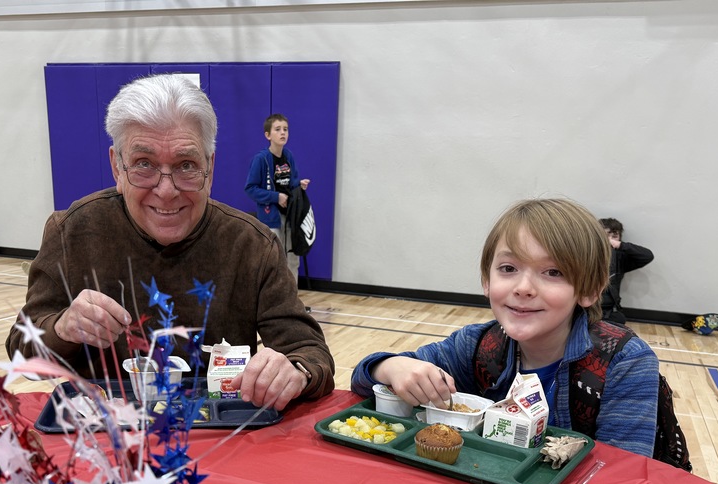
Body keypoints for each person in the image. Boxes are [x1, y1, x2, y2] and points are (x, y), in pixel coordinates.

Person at [6, 74, 334, 412]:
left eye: (186, 165)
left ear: (210, 168)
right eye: (144, 164)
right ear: (117, 168)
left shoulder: (252, 244)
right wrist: (62, 328)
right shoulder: (72, 231)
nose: (166, 190)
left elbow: (310, 353)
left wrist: (293, 371)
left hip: (220, 439)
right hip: (107, 440)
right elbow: (21, 349)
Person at [351, 198, 661, 458]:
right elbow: (363, 379)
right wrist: (392, 366)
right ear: (487, 280)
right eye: (508, 269)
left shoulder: (624, 362)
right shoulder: (475, 345)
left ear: (590, 290)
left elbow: (622, 474)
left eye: (553, 272)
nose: (524, 287)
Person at [244, 113, 310, 284]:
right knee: (274, 260)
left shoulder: (289, 156)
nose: (283, 133)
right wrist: (276, 197)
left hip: (290, 216)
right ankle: (274, 301)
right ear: (268, 135)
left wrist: (299, 186)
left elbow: (291, 182)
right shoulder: (261, 159)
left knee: (293, 259)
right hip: (272, 218)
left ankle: (292, 301)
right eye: (278, 129)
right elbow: (250, 189)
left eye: (286, 129)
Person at [598, 217, 654, 325]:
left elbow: (647, 256)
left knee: (619, 320)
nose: (609, 240)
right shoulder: (587, 255)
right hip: (587, 308)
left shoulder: (621, 258)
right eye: (605, 236)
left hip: (609, 311)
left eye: (614, 237)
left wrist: (620, 245)